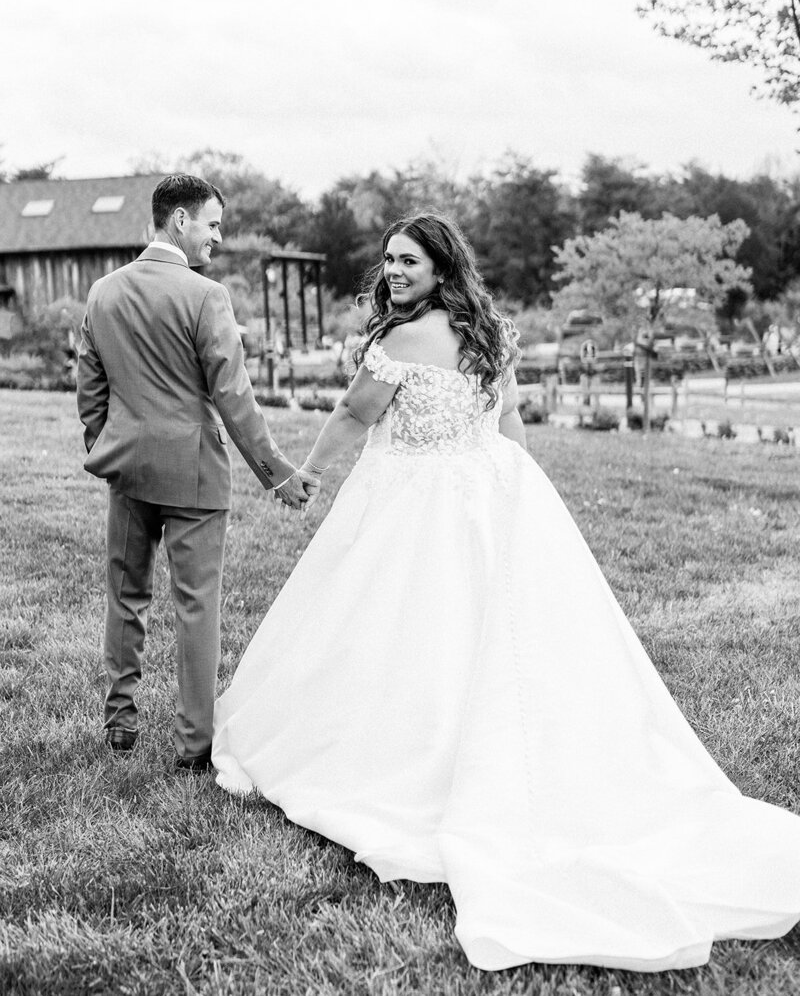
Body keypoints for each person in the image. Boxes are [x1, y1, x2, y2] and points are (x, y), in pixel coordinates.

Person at [212, 213, 800, 971]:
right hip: (489, 491)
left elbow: (355, 412)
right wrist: (523, 500)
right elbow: (510, 420)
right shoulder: (491, 332)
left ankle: (399, 754)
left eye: (410, 261)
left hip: (418, 504)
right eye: (388, 260)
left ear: (441, 266)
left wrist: (309, 476)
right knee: (485, 634)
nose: (394, 272)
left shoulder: (400, 340)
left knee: (403, 630)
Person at [77, 174, 318, 771]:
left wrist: (109, 443)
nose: (218, 236)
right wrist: (278, 474)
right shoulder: (206, 297)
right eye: (212, 224)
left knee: (126, 595)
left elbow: (91, 389)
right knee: (196, 606)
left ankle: (120, 724)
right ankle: (193, 747)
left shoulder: (102, 293)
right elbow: (233, 396)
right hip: (195, 476)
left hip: (127, 472)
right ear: (179, 221)